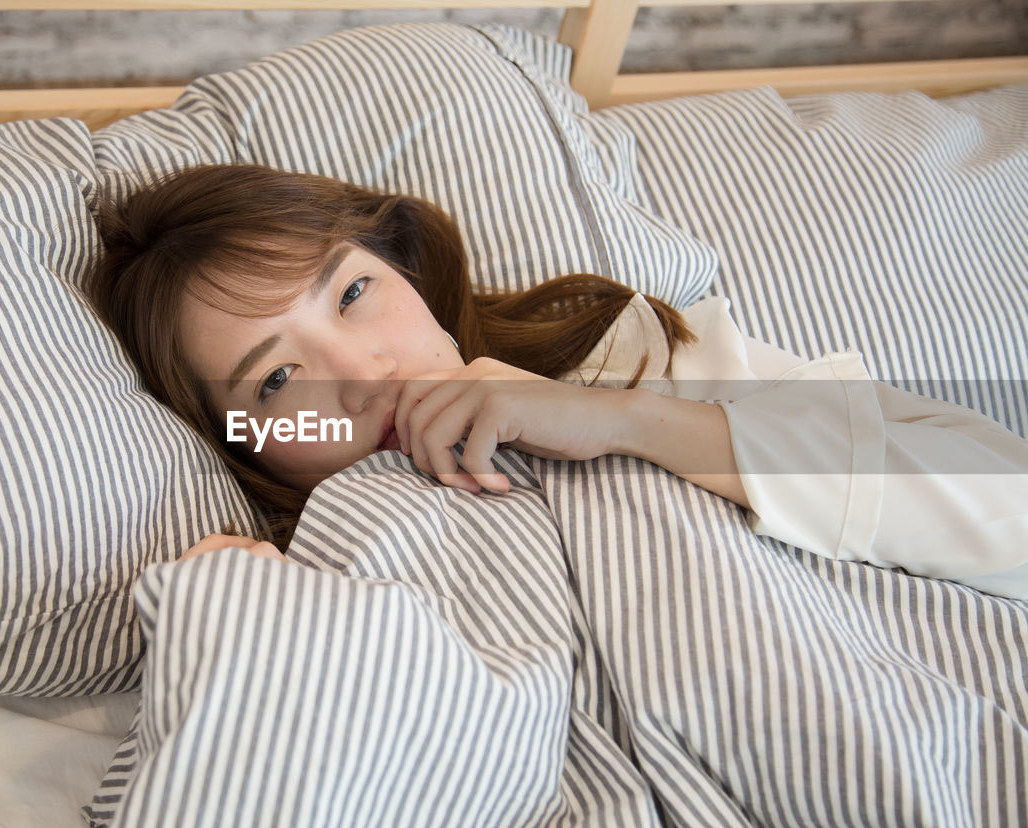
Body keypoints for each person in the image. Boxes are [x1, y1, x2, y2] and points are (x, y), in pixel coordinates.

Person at [88, 163, 1028, 598]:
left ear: (407, 268)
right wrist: (244, 635)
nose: (363, 375)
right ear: (235, 441)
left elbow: (1009, 514)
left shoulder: (654, 363)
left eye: (354, 292)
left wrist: (628, 422)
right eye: (279, 378)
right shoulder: (313, 580)